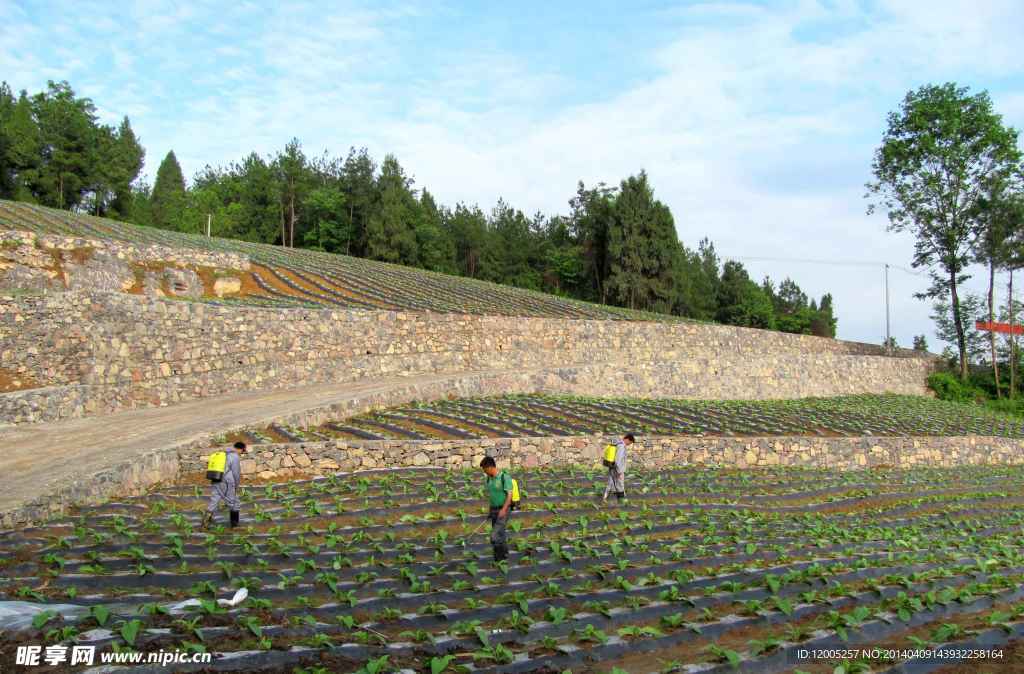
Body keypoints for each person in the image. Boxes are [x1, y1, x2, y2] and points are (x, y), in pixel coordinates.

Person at [203, 441, 245, 529]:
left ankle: (204, 524)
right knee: (234, 501)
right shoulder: (235, 456)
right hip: (227, 482)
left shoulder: (223, 453)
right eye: (242, 451)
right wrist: (236, 486)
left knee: (214, 500)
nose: (242, 453)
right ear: (240, 449)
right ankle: (235, 525)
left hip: (216, 479)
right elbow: (236, 473)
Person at [480, 456, 512, 563]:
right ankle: (504, 556)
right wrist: (490, 511)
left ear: (489, 467)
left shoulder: (504, 477)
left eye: (485, 470)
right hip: (494, 510)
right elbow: (492, 496)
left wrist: (503, 509)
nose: (484, 472)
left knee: (494, 536)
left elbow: (509, 495)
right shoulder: (489, 478)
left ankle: (499, 559)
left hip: (504, 509)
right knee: (501, 534)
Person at [603, 433, 634, 502]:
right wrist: (619, 471)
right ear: (628, 439)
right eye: (630, 443)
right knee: (618, 483)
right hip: (617, 468)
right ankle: (620, 499)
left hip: (612, 466)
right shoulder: (621, 446)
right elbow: (618, 460)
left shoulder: (617, 443)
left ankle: (607, 497)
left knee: (612, 482)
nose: (629, 444)